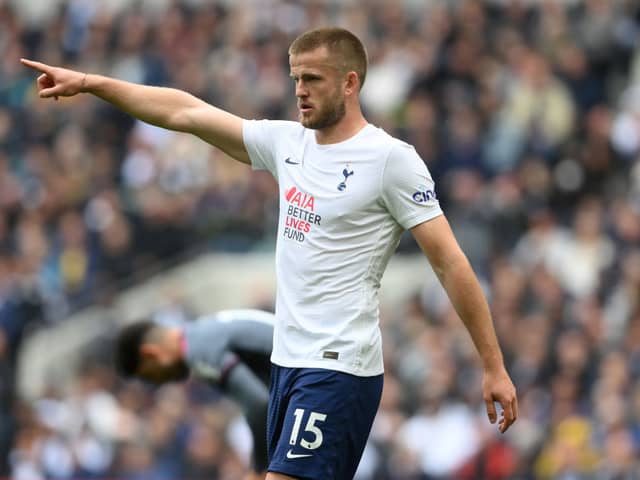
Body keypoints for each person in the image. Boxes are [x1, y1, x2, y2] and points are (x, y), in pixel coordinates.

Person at [22, 26, 517, 480]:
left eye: (313, 79)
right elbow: (186, 113)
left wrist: (492, 366)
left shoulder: (391, 160)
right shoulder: (287, 144)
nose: (299, 89)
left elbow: (450, 262)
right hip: (288, 363)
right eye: (295, 77)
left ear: (349, 83)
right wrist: (90, 83)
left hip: (338, 366)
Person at [114, 308, 275, 480]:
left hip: (304, 378)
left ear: (151, 354)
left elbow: (259, 405)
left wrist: (259, 469)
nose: (159, 382)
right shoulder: (199, 333)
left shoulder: (198, 351)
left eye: (150, 375)